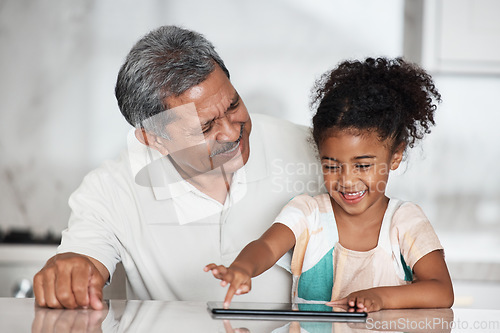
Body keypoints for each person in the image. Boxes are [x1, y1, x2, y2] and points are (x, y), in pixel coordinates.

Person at [33, 25, 323, 309]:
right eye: (206, 126)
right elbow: (83, 262)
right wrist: (70, 271)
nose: (232, 133)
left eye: (233, 105)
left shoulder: (311, 150)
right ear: (155, 139)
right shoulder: (111, 189)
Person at [205, 57, 454, 312]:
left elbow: (441, 290)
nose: (346, 180)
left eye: (363, 165)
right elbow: (267, 246)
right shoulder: (309, 213)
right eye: (332, 166)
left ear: (396, 156)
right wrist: (243, 268)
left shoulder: (405, 221)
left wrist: (380, 298)